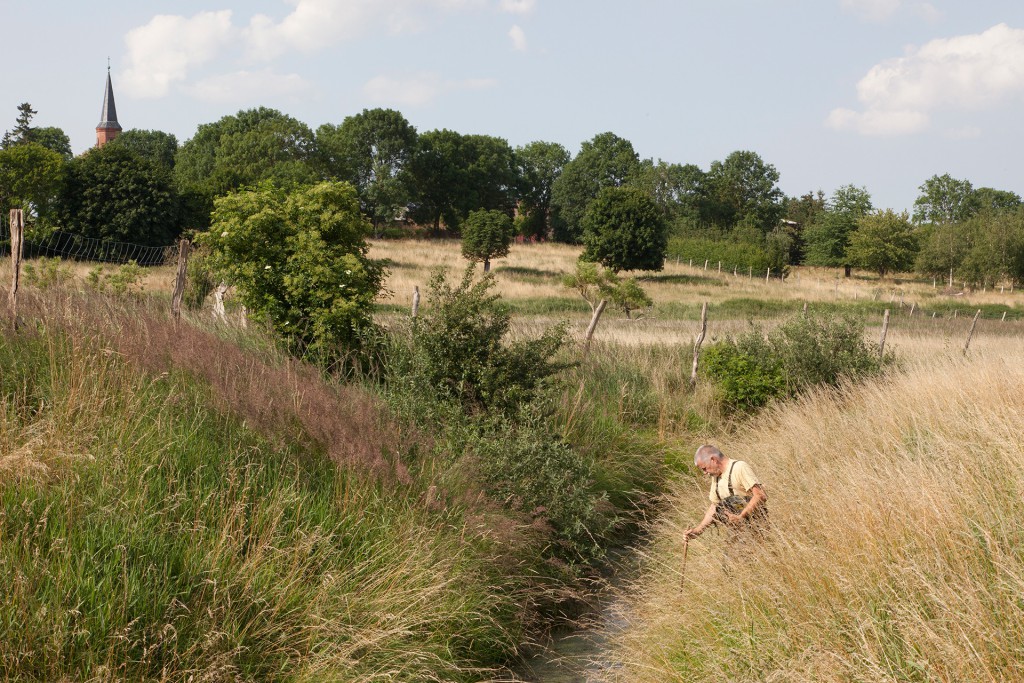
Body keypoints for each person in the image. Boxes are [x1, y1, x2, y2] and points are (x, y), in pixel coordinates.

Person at [684, 444, 767, 540]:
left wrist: (741, 517)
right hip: (736, 534)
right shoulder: (716, 477)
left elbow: (760, 495)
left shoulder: (739, 467)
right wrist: (696, 531)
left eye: (704, 468)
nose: (705, 472)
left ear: (713, 460)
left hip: (757, 530)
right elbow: (715, 507)